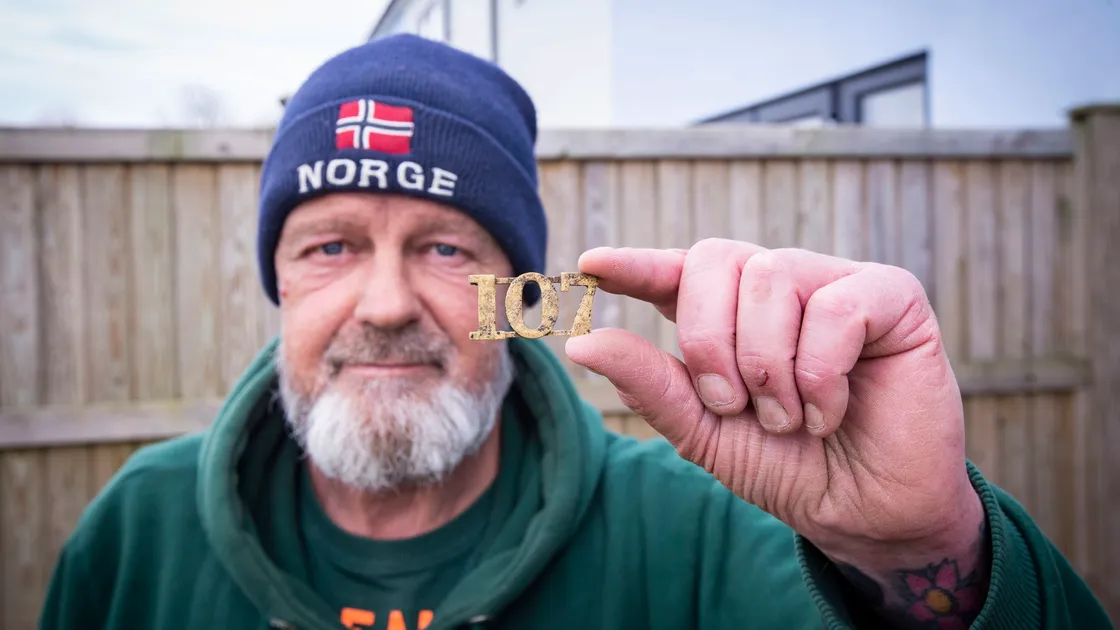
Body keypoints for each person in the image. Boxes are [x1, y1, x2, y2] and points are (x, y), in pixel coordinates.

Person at [39, 34, 1111, 630]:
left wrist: (925, 556)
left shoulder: (700, 541)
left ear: (520, 289)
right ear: (276, 277)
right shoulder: (137, 538)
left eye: (448, 248)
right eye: (327, 245)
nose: (382, 305)